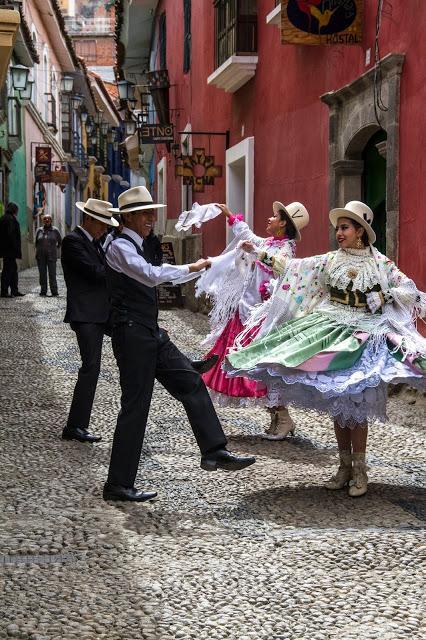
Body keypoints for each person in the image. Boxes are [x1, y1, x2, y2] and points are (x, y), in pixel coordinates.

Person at [226, 201, 426, 497]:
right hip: (330, 331)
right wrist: (261, 253)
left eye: (345, 227)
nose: (339, 233)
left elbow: (408, 288)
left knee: (356, 405)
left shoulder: (381, 264)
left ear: (360, 231)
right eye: (338, 228)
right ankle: (344, 466)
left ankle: (359, 470)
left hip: (364, 336)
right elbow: (295, 268)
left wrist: (384, 296)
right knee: (340, 404)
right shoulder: (331, 260)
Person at [103, 186, 256, 502]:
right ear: (128, 217)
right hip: (131, 335)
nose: (152, 218)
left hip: (148, 332)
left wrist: (211, 263)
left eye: (151, 212)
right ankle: (117, 484)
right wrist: (194, 267)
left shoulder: (141, 244)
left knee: (190, 383)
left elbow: (161, 277)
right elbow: (150, 275)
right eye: (145, 214)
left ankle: (214, 450)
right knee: (136, 406)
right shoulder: (120, 247)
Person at [196, 201, 309, 439]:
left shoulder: (285, 249)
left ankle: (283, 417)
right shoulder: (269, 243)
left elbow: (281, 267)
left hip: (263, 320)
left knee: (263, 368)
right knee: (252, 367)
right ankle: (277, 418)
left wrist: (255, 251)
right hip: (246, 311)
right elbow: (248, 236)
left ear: (283, 225)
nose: (269, 219)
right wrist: (229, 215)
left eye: (274, 216)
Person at [61, 199, 119, 444]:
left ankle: (182, 363)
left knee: (141, 332)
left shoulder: (94, 243)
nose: (105, 229)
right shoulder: (73, 242)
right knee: (90, 368)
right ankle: (75, 426)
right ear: (90, 220)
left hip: (101, 312)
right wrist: (120, 266)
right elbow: (95, 273)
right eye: (103, 224)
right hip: (86, 314)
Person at [0, 202, 25, 298]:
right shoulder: (10, 219)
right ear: (15, 210)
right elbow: (11, 235)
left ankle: (14, 290)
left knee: (13, 270)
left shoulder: (4, 218)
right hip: (9, 250)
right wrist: (15, 248)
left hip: (7, 250)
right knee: (8, 270)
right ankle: (4, 291)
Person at [35, 213, 62, 296]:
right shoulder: (39, 230)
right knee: (42, 274)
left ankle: (54, 291)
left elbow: (60, 242)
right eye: (45, 219)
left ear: (51, 221)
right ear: (43, 221)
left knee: (52, 274)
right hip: (41, 256)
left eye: (48, 219)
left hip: (52, 256)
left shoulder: (55, 230)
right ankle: (43, 291)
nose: (47, 220)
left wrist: (54, 249)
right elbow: (36, 242)